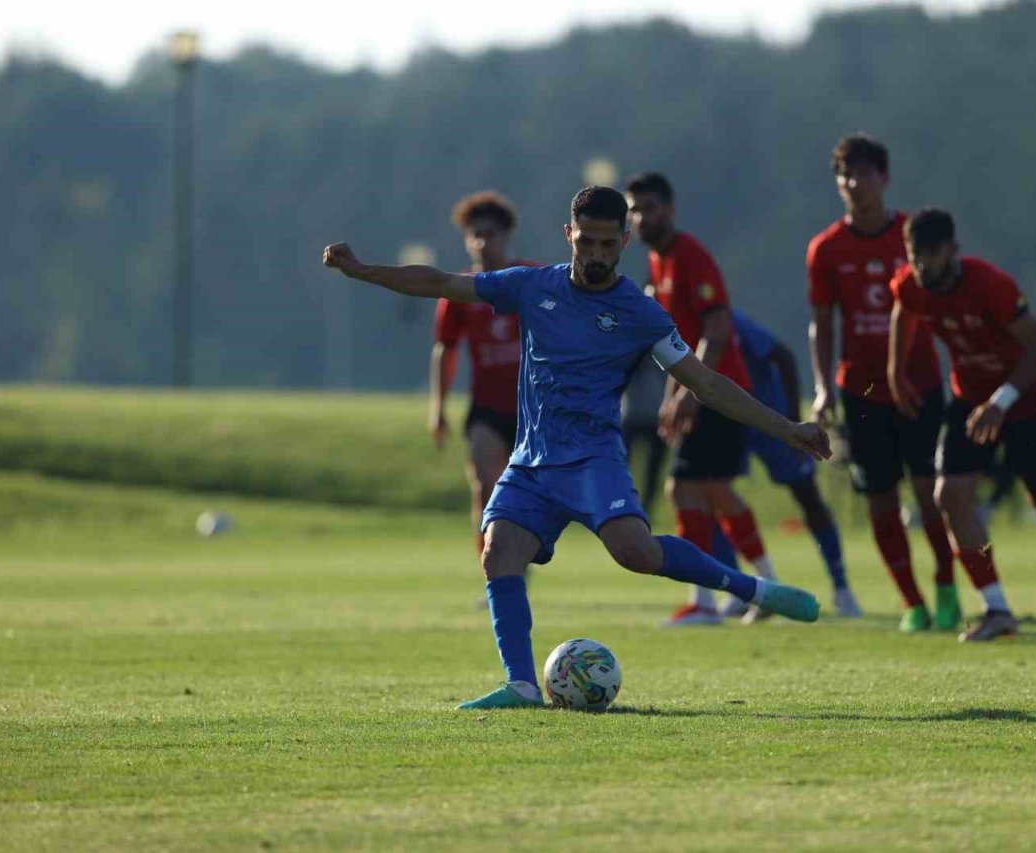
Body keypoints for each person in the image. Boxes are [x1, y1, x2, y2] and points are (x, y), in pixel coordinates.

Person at [323, 186, 828, 710]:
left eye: (608, 245)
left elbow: (707, 384)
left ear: (625, 242)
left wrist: (788, 428)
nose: (596, 255)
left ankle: (753, 590)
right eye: (586, 242)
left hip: (593, 460)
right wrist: (363, 271)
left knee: (638, 553)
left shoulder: (640, 313)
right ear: (569, 235)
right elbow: (441, 283)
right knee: (499, 551)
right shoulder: (530, 285)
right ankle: (522, 685)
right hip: (532, 462)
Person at [888, 209, 1036, 642]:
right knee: (950, 495)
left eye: (930, 254)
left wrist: (1001, 401)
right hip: (971, 399)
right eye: (914, 254)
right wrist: (895, 371)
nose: (921, 265)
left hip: (1029, 399)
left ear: (952, 250)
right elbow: (904, 309)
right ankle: (996, 609)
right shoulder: (911, 284)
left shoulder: (990, 285)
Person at [807, 134, 959, 632]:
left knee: (930, 492)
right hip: (861, 390)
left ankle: (946, 584)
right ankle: (912, 601)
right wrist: (823, 387)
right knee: (880, 500)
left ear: (884, 178)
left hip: (918, 383)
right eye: (844, 175)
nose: (853, 183)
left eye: (863, 173)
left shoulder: (913, 237)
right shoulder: (826, 249)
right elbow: (822, 324)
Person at [625, 172, 787, 626]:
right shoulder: (659, 262)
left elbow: (715, 333)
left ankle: (705, 602)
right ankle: (763, 589)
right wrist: (672, 397)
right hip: (703, 392)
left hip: (720, 391)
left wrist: (689, 395)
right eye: (635, 210)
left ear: (670, 209)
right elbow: (675, 343)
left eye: (650, 208)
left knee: (688, 490)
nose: (642, 218)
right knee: (713, 492)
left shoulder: (690, 256)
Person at [728, 307, 862, 617]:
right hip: (729, 422)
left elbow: (784, 356)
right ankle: (742, 590)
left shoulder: (732, 321)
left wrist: (790, 421)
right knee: (712, 492)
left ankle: (842, 588)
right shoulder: (672, 326)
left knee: (808, 497)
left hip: (769, 417)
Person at [429, 191, 528, 560]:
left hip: (531, 410)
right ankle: (492, 569)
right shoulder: (460, 290)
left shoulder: (528, 280)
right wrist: (438, 408)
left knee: (525, 496)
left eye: (490, 234)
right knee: (485, 488)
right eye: (475, 235)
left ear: (506, 236)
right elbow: (445, 349)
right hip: (486, 409)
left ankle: (518, 564)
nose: (482, 243)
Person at [620, 290, 670, 516]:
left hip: (657, 414)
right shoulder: (627, 339)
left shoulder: (666, 336)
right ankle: (622, 507)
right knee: (621, 468)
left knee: (653, 472)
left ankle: (645, 511)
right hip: (631, 414)